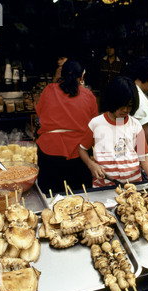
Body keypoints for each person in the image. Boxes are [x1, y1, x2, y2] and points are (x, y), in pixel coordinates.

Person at [79, 76, 148, 192]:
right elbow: (82, 149)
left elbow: (143, 156)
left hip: (134, 184)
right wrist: (91, 164)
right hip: (104, 186)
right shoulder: (96, 124)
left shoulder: (135, 125)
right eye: (122, 105)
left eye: (129, 106)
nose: (125, 110)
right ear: (112, 101)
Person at [36, 59, 98, 193]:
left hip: (49, 151)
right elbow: (94, 126)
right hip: (79, 153)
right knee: (80, 197)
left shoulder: (49, 90)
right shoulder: (88, 95)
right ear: (82, 77)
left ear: (61, 74)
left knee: (49, 196)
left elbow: (40, 113)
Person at [99, 42, 124, 107]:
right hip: (103, 92)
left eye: (111, 48)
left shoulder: (120, 62)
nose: (109, 50)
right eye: (107, 48)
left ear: (115, 49)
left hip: (116, 92)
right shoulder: (102, 61)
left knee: (115, 110)